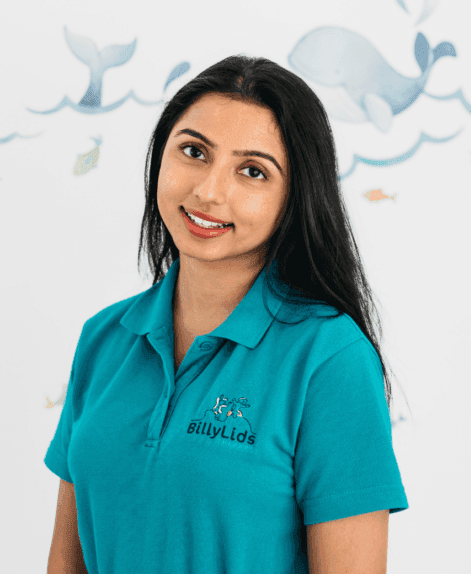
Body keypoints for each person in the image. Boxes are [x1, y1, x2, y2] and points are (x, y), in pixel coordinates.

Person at [45, 54, 409, 574]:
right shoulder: (103, 338)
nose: (209, 191)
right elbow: (65, 563)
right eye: (194, 151)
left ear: (294, 196)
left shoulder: (331, 359)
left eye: (252, 171)